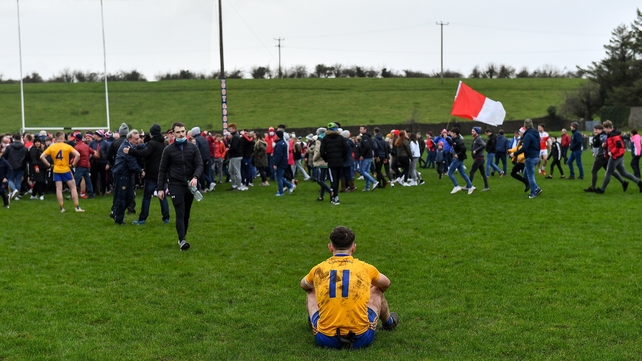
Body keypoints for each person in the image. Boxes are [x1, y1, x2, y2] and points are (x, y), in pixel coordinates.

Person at [300, 226, 399, 349]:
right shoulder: (365, 268)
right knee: (376, 290)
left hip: (325, 339)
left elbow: (303, 285)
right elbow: (386, 283)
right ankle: (388, 323)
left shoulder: (319, 269)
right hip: (360, 339)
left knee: (311, 291)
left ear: (330, 247)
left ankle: (315, 321)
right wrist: (366, 290)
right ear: (353, 248)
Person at [158, 122, 203, 250]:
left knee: (186, 213)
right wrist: (160, 188)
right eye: (178, 132)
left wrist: (195, 177)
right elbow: (162, 169)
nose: (181, 134)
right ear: (173, 133)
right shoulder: (168, 150)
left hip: (190, 185)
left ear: (186, 131)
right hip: (175, 185)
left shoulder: (193, 148)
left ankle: (182, 236)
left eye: (183, 131)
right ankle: (182, 240)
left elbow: (199, 164)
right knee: (180, 212)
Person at [125, 124, 170, 225]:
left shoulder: (152, 144)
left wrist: (130, 151)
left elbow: (144, 153)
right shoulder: (164, 144)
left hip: (151, 174)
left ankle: (142, 219)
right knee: (162, 196)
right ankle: (166, 218)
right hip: (162, 174)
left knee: (147, 197)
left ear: (151, 133)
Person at [40, 131, 85, 212]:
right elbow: (78, 155)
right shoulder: (67, 146)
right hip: (66, 169)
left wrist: (49, 165)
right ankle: (77, 207)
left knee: (59, 189)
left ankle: (62, 207)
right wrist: (73, 164)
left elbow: (42, 156)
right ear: (62, 138)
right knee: (73, 188)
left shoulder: (52, 147)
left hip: (56, 170)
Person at [594, 120, 642, 194]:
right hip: (619, 156)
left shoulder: (614, 136)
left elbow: (618, 145)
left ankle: (602, 189)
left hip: (615, 157)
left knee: (608, 173)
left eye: (605, 128)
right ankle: (639, 183)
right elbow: (611, 144)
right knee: (624, 173)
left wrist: (611, 153)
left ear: (609, 128)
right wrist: (605, 145)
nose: (604, 130)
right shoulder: (611, 135)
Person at [111, 130, 144, 225]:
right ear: (130, 139)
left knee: (130, 197)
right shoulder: (126, 148)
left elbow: (140, 147)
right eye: (136, 139)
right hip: (121, 175)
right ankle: (118, 219)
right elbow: (132, 164)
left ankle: (116, 213)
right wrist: (141, 171)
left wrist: (150, 145)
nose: (138, 141)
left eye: (139, 138)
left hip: (127, 175)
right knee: (121, 197)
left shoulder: (131, 145)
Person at [584, 124, 627, 193]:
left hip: (602, 157)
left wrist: (605, 154)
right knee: (611, 171)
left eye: (596, 130)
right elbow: (596, 146)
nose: (595, 131)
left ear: (601, 130)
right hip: (603, 156)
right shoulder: (597, 136)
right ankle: (623, 182)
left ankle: (593, 187)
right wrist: (594, 152)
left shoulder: (603, 136)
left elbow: (608, 146)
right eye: (594, 129)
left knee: (594, 171)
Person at [511, 119, 542, 198]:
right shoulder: (536, 133)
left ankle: (533, 193)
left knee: (530, 176)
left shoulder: (528, 135)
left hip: (530, 157)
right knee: (525, 174)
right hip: (536, 157)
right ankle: (536, 188)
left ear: (525, 126)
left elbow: (524, 148)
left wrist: (514, 154)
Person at [321, 123, 349, 203]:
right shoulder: (341, 138)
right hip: (339, 161)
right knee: (336, 179)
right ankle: (334, 196)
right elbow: (346, 149)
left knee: (333, 180)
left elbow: (322, 152)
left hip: (331, 162)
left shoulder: (325, 139)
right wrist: (342, 157)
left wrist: (327, 159)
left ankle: (334, 197)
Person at [447, 128, 474, 194]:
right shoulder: (455, 140)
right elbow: (452, 143)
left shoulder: (458, 141)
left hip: (457, 159)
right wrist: (446, 137)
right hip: (460, 159)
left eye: (452, 133)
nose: (450, 134)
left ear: (455, 133)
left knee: (450, 173)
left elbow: (463, 149)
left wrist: (458, 155)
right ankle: (471, 186)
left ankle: (456, 186)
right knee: (462, 173)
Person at [2, 133, 28, 200]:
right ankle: (17, 196)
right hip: (21, 166)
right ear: (20, 138)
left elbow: (4, 156)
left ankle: (14, 190)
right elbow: (27, 157)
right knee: (18, 181)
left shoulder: (9, 147)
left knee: (10, 179)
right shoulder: (24, 148)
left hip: (11, 166)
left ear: (13, 139)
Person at [272, 130, 296, 196]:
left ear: (278, 136)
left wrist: (275, 164)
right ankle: (290, 186)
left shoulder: (279, 144)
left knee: (279, 178)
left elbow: (278, 155)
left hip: (280, 163)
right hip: (283, 162)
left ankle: (281, 192)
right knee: (280, 176)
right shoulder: (283, 143)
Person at [73, 132, 95, 199]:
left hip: (80, 165)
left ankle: (72, 194)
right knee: (88, 180)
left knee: (75, 180)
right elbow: (93, 152)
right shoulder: (86, 146)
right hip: (87, 165)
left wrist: (73, 163)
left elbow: (76, 157)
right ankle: (91, 194)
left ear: (76, 139)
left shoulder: (76, 147)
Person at [508, 128, 530, 192]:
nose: (519, 133)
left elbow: (525, 150)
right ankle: (530, 185)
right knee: (526, 175)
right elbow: (517, 148)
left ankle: (528, 184)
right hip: (520, 161)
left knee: (513, 173)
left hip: (523, 161)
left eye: (520, 132)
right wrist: (510, 150)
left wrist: (522, 157)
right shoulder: (520, 140)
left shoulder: (525, 140)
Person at [357, 125, 378, 191]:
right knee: (367, 171)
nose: (360, 130)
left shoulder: (365, 137)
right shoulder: (369, 137)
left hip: (366, 156)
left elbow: (366, 147)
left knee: (362, 171)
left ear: (365, 130)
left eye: (361, 129)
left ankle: (374, 182)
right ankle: (367, 187)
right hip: (369, 156)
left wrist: (362, 155)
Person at [469, 127, 489, 192]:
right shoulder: (476, 139)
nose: (472, 132)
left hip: (479, 158)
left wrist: (476, 151)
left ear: (476, 132)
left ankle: (468, 186)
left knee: (471, 172)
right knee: (483, 173)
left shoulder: (478, 139)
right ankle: (486, 187)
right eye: (472, 131)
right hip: (479, 158)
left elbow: (483, 145)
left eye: (473, 131)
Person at [226, 123, 245, 191]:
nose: (229, 129)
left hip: (236, 156)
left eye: (230, 128)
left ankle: (239, 186)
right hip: (233, 156)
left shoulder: (235, 137)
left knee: (237, 171)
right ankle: (234, 185)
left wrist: (229, 149)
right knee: (230, 170)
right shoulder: (234, 136)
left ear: (234, 128)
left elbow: (235, 147)